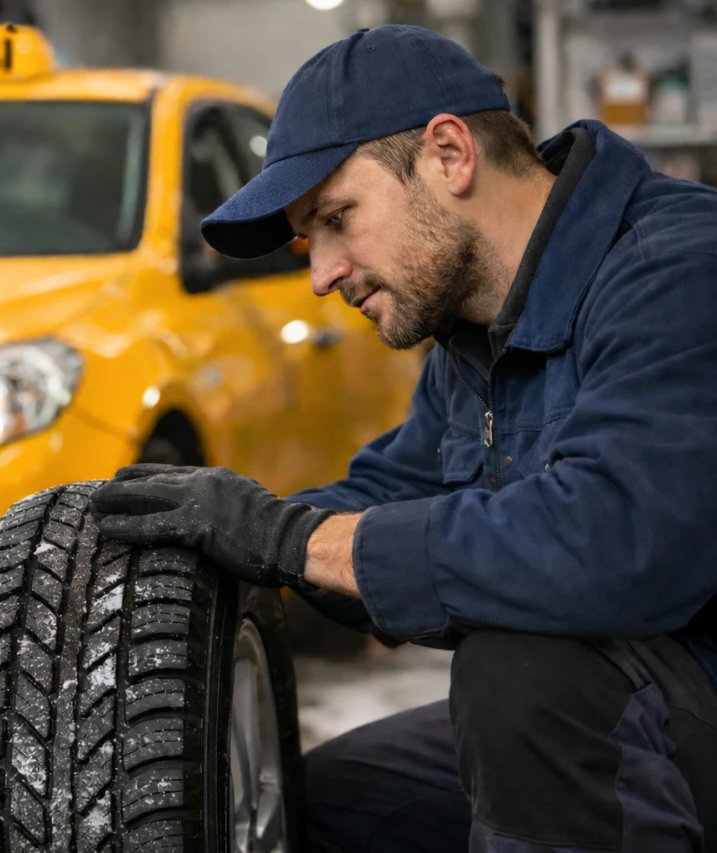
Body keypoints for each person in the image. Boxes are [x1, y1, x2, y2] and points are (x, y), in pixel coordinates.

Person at [89, 24, 717, 853]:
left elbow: (615, 543)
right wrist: (228, 543)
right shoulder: (474, 337)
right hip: (646, 704)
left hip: (678, 680)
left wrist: (291, 540)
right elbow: (389, 494)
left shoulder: (678, 270)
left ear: (450, 154)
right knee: (323, 805)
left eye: (337, 218)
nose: (320, 274)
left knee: (523, 678)